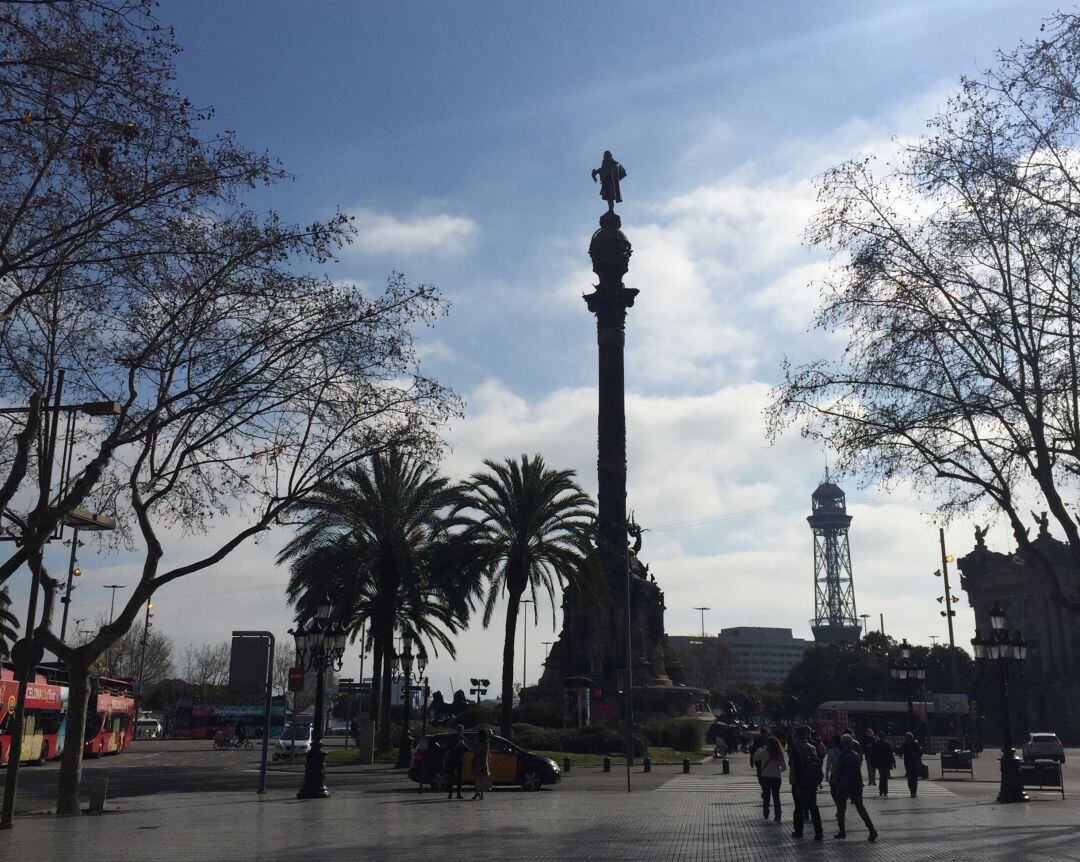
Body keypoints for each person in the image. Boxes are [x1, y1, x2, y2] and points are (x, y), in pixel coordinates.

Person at [834, 734, 878, 842]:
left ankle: (842, 831)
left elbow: (839, 771)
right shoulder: (856, 755)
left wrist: (836, 781)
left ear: (843, 743)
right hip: (856, 785)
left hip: (844, 785)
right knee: (860, 808)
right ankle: (872, 830)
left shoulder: (842, 756)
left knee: (841, 808)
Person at [788, 725, 824, 841]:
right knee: (813, 807)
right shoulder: (812, 747)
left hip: (799, 782)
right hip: (811, 782)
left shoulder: (795, 748)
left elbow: (796, 768)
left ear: (797, 735)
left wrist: (798, 785)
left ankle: (799, 831)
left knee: (798, 807)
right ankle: (819, 832)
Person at [753, 736, 786, 821]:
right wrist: (777, 771)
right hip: (776, 778)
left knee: (766, 796)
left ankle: (766, 813)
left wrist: (759, 749)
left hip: (766, 777)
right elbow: (784, 767)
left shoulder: (765, 752)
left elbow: (755, 757)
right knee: (776, 796)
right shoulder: (779, 753)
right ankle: (778, 814)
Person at [444, 724, 470, 800]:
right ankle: (450, 794)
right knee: (451, 776)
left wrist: (464, 745)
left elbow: (467, 748)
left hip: (460, 759)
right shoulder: (452, 737)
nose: (460, 731)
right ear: (456, 730)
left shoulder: (464, 738)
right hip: (452, 758)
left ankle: (459, 793)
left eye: (461, 730)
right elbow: (448, 747)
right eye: (459, 730)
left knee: (459, 777)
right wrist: (456, 745)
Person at [869, 733, 896, 797]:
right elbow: (890, 754)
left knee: (882, 776)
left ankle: (882, 790)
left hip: (880, 763)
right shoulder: (886, 744)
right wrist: (893, 762)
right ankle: (885, 791)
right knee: (885, 777)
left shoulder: (876, 744)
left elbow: (872, 754)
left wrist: (872, 763)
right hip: (886, 763)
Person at [471, 728, 492, 800]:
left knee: (477, 778)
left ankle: (477, 792)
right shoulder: (486, 743)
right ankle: (482, 794)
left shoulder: (477, 743)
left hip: (477, 761)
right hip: (484, 761)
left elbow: (476, 752)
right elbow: (487, 753)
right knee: (482, 779)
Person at [900, 732, 923, 797]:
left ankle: (912, 791)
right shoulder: (912, 744)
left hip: (910, 763)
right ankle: (913, 791)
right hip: (912, 763)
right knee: (913, 778)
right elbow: (920, 753)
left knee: (911, 778)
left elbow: (919, 753)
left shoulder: (908, 744)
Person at [824, 735, 842, 804]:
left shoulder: (831, 751)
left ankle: (837, 803)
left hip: (834, 773)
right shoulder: (843, 750)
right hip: (842, 773)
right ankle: (840, 802)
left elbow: (828, 764)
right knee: (840, 789)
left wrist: (826, 775)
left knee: (833, 791)